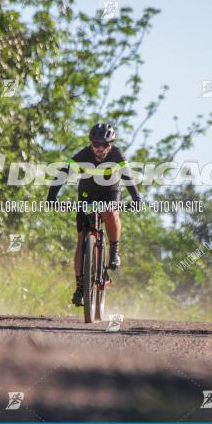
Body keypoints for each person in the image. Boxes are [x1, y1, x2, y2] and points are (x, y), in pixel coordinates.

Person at [46, 122, 142, 306]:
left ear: (111, 145)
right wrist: (52, 197)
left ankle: (114, 250)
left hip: (110, 192)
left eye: (105, 145)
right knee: (82, 239)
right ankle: (81, 287)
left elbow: (128, 178)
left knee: (112, 211)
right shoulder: (83, 155)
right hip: (87, 194)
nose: (100, 149)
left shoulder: (117, 155)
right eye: (96, 144)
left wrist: (136, 197)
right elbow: (62, 175)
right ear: (91, 144)